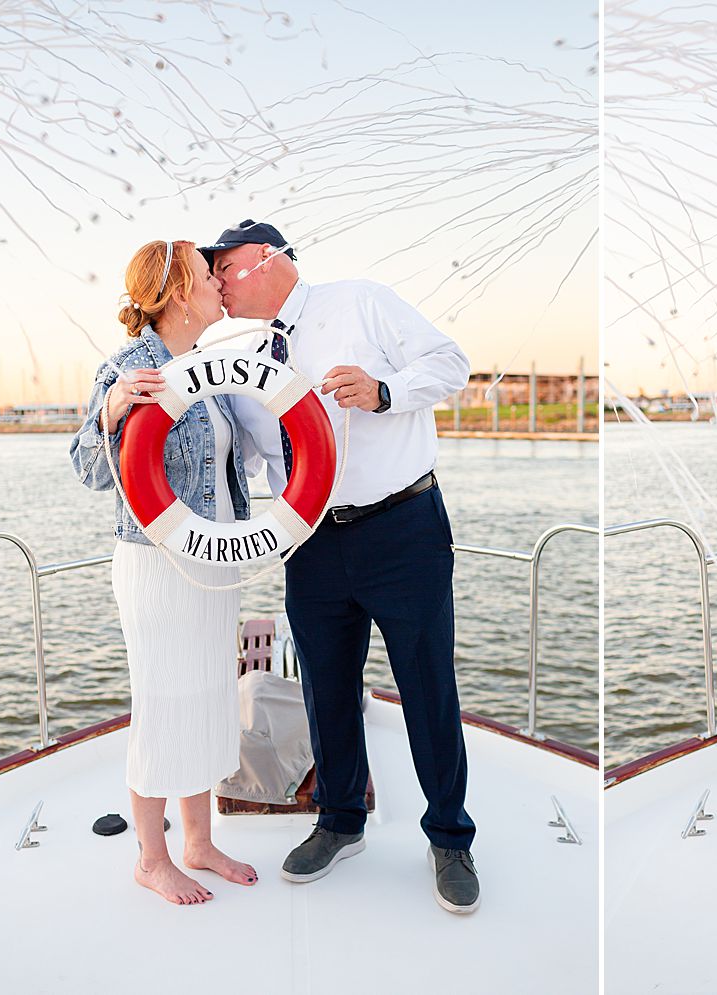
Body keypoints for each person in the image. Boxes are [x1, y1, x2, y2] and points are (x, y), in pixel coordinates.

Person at [201, 219, 480, 913]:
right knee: (326, 688)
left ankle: (449, 835)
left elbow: (451, 363)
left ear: (265, 260)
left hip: (402, 528)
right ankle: (339, 820)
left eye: (223, 267)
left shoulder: (360, 302)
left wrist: (383, 390)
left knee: (427, 687)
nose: (217, 283)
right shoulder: (246, 366)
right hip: (313, 544)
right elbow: (256, 465)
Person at [70, 239, 270, 905]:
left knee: (210, 694)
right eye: (207, 276)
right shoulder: (129, 366)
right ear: (181, 292)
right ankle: (152, 858)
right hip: (156, 565)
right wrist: (115, 407)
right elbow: (88, 467)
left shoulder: (210, 368)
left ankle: (198, 840)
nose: (220, 282)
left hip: (212, 562)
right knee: (162, 699)